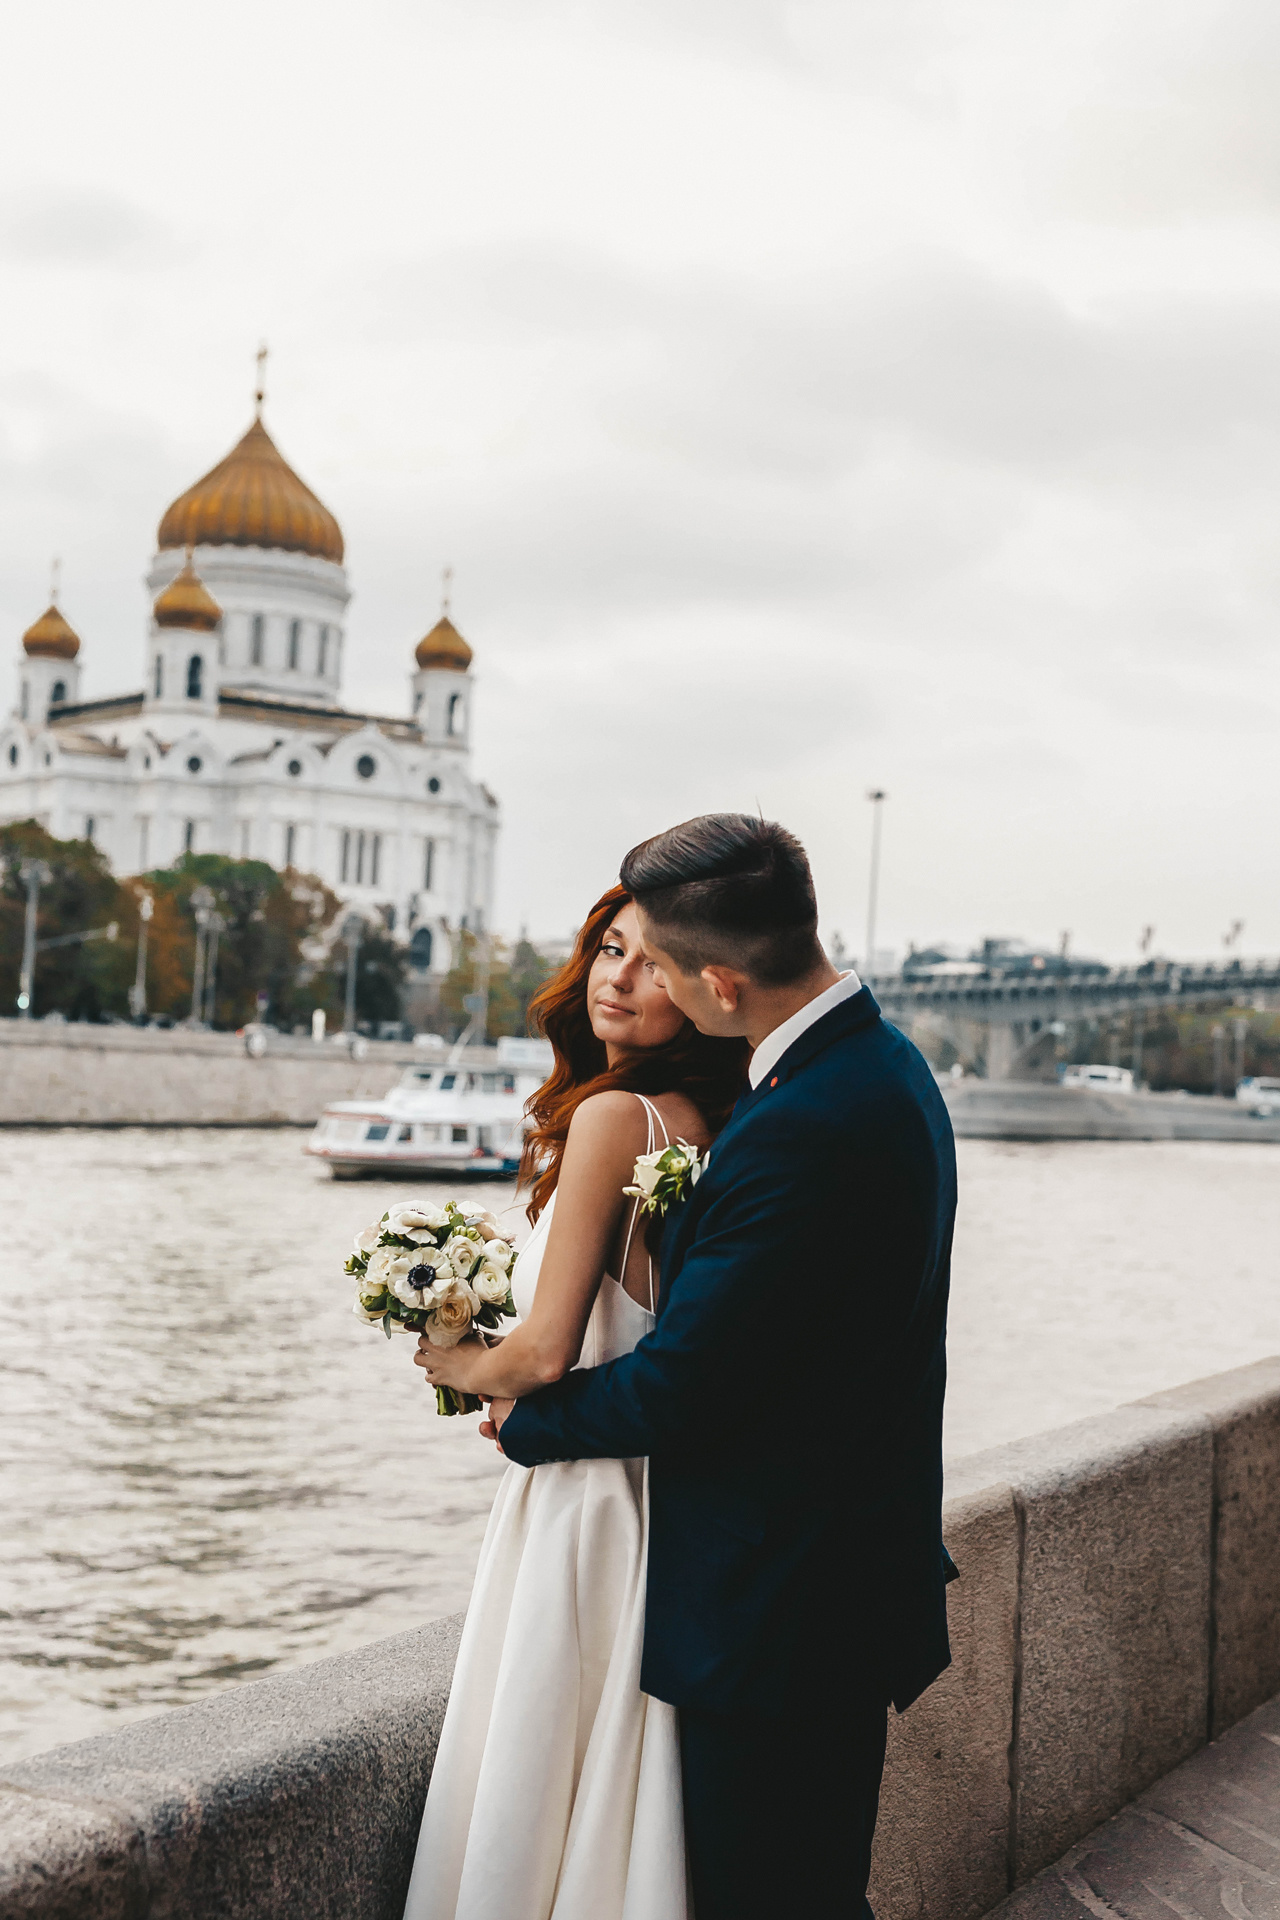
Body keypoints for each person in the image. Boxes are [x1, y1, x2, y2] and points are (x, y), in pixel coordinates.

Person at [479, 813, 958, 1920]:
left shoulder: (802, 1124)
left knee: (774, 1895)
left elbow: (687, 1383)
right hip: (827, 1579)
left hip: (782, 1606)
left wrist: (525, 1422)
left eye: (659, 965)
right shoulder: (878, 1066)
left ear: (722, 985)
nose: (633, 981)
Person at [402, 882, 749, 1920]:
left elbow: (547, 1352)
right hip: (650, 1496)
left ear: (697, 989)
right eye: (607, 949)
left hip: (575, 1490)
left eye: (652, 963)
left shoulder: (610, 1118)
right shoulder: (700, 1119)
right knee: (605, 1776)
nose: (620, 978)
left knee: (534, 1759)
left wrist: (455, 1361)